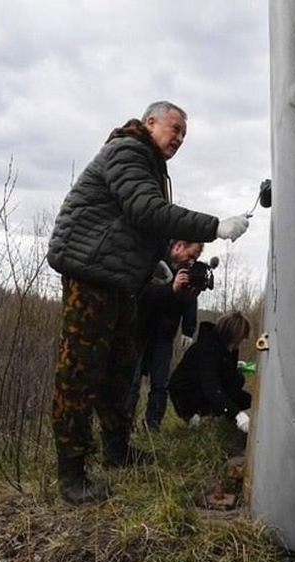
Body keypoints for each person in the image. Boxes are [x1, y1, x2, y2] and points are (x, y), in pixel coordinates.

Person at [47, 100, 250, 504]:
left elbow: (141, 227)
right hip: (91, 273)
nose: (178, 140)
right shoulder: (128, 151)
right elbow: (146, 210)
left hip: (121, 281)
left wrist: (169, 259)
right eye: (174, 130)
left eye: (183, 136)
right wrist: (213, 226)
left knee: (120, 371)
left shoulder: (152, 167)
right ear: (150, 122)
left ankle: (118, 450)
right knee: (80, 374)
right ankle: (72, 473)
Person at [126, 239, 204, 432]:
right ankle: (123, 427)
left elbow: (187, 303)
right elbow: (141, 295)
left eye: (195, 258)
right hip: (139, 330)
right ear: (178, 246)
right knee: (132, 382)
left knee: (160, 384)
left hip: (165, 334)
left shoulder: (185, 272)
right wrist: (171, 288)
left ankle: (152, 428)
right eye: (191, 255)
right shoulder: (152, 260)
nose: (191, 261)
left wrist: (188, 328)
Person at [168, 311, 253, 433]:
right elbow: (212, 387)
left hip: (203, 388)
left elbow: (229, 379)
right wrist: (237, 415)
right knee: (224, 393)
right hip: (187, 395)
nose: (242, 341)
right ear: (233, 335)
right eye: (241, 338)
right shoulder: (208, 350)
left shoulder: (229, 349)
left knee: (238, 380)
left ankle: (217, 416)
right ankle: (198, 417)